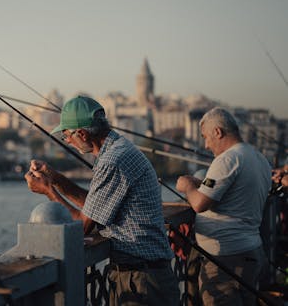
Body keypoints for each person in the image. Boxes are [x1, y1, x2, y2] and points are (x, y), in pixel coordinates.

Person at [24, 95, 180, 306]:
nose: (67, 141)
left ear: (82, 133)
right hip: (146, 274)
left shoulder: (113, 161)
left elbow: (82, 225)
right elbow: (95, 205)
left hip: (141, 280)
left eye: (66, 135)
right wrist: (56, 179)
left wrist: (48, 191)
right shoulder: (119, 147)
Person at [175, 107, 271, 306]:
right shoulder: (258, 157)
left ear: (217, 132)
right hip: (251, 250)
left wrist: (188, 185)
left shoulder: (228, 159)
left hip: (227, 259)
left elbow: (199, 204)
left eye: (206, 137)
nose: (206, 145)